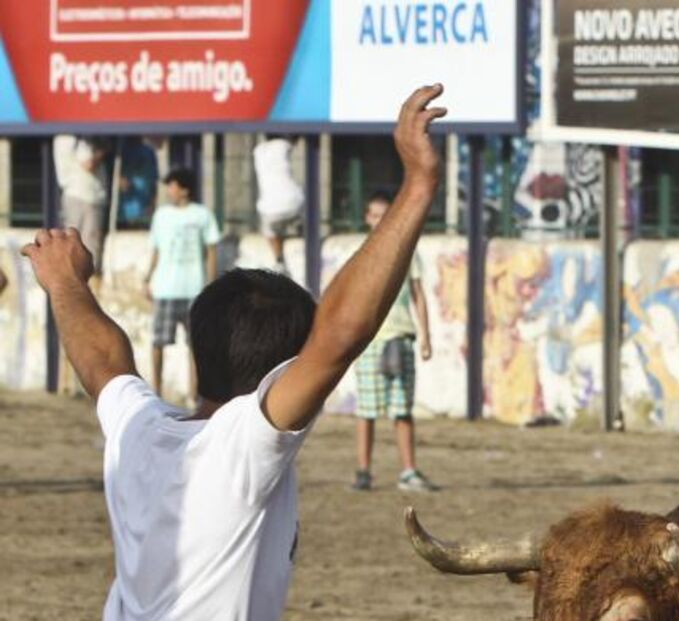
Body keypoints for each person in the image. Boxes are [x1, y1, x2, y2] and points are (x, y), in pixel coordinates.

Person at [19, 85, 447, 620]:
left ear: (197, 353)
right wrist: (419, 183)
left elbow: (103, 363)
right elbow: (340, 335)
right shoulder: (246, 445)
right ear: (285, 372)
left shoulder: (138, 431)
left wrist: (65, 283)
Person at [351, 190, 435, 492]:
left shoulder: (408, 250)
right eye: (374, 215)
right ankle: (363, 471)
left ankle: (408, 471)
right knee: (367, 410)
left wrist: (425, 335)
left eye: (384, 215)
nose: (379, 221)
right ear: (367, 218)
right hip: (369, 341)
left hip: (400, 336)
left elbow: (418, 295)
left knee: (402, 409)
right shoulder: (361, 253)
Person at [143, 168, 221, 399]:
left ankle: (195, 394)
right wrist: (147, 278)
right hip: (165, 290)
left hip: (194, 290)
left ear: (185, 189)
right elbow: (156, 250)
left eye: (173, 185)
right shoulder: (161, 215)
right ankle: (156, 391)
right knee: (158, 342)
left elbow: (211, 251)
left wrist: (212, 285)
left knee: (195, 345)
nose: (169, 190)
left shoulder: (203, 215)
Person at [53, 135, 109, 273]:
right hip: (85, 195)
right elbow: (88, 164)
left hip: (76, 194)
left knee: (73, 240)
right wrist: (103, 151)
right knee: (87, 242)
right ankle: (86, 277)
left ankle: (74, 273)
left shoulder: (61, 138)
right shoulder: (75, 138)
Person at [254, 134, 304, 275]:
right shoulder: (283, 144)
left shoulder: (258, 150)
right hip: (294, 202)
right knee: (299, 204)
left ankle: (279, 260)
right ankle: (299, 225)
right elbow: (294, 139)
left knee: (269, 230)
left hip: (268, 208)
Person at [117, 137, 160, 228]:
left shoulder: (149, 152)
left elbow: (154, 182)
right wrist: (118, 180)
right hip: (120, 216)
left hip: (143, 214)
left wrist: (152, 205)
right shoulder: (118, 151)